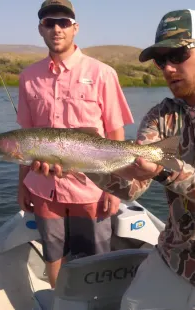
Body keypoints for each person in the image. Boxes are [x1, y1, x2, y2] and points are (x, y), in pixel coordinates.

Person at [33, 8, 195, 310]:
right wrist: (77, 165)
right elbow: (132, 189)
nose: (167, 68)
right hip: (172, 259)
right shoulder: (161, 115)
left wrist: (165, 170)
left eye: (177, 55)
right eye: (161, 59)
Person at [16, 0, 134, 288]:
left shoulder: (102, 73)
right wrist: (22, 184)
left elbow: (115, 133)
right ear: (40, 29)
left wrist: (113, 187)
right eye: (49, 22)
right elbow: (26, 139)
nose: (56, 28)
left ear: (75, 28)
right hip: (44, 188)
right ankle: (60, 302)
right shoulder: (28, 77)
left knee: (97, 259)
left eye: (63, 22)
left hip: (92, 187)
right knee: (53, 255)